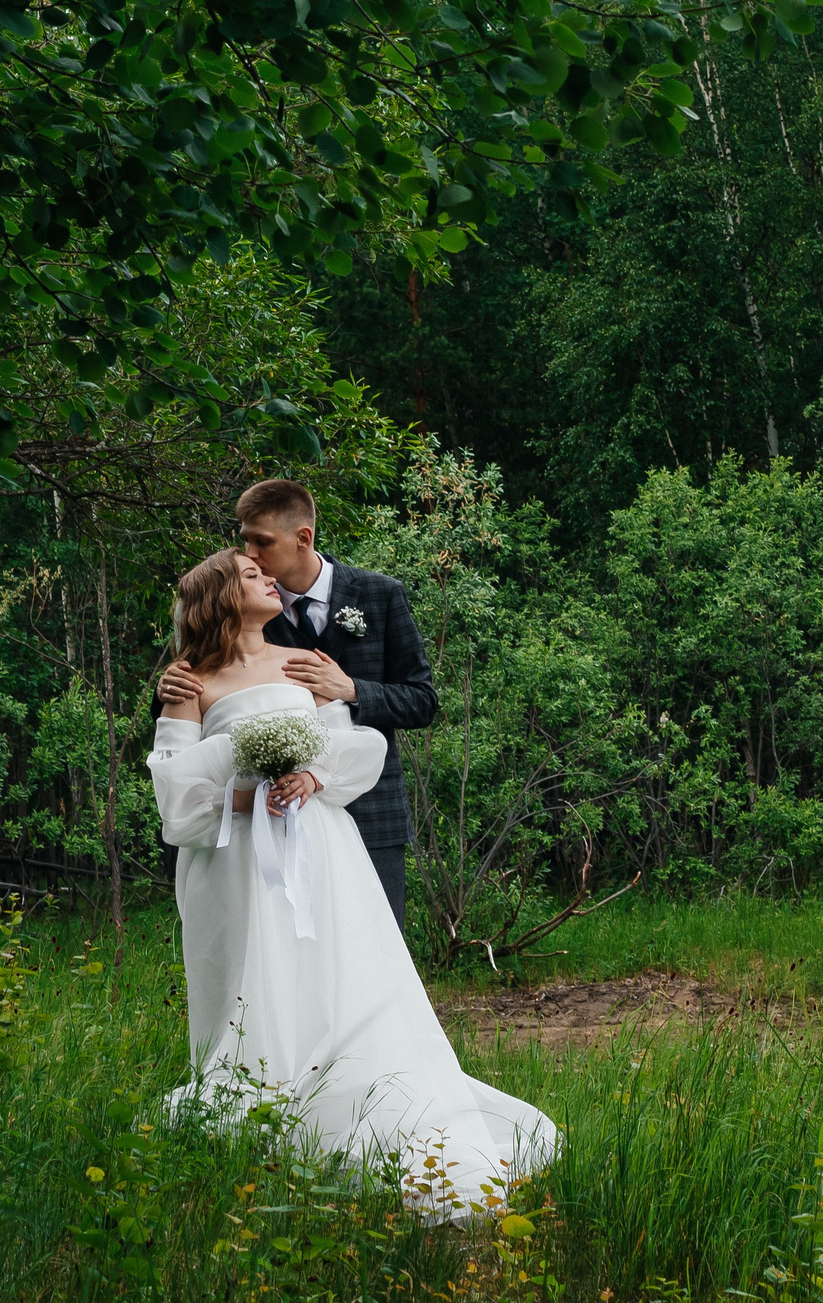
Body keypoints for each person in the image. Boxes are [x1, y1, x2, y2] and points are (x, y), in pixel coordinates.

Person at [147, 548, 554, 1220]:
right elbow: (175, 793)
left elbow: (347, 745)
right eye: (250, 575)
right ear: (220, 597)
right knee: (257, 982)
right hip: (238, 860)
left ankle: (358, 1099)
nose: (268, 579)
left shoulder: (300, 662)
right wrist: (244, 797)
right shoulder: (189, 682)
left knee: (342, 970)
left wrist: (310, 778)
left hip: (321, 846)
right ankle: (264, 1110)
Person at [158, 478, 434, 933]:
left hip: (367, 803)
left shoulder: (379, 595)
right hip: (260, 826)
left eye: (261, 541)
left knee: (371, 950)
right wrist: (169, 681)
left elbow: (423, 701)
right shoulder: (247, 606)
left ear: (302, 537)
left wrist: (353, 690)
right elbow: (203, 703)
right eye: (244, 539)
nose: (251, 552)